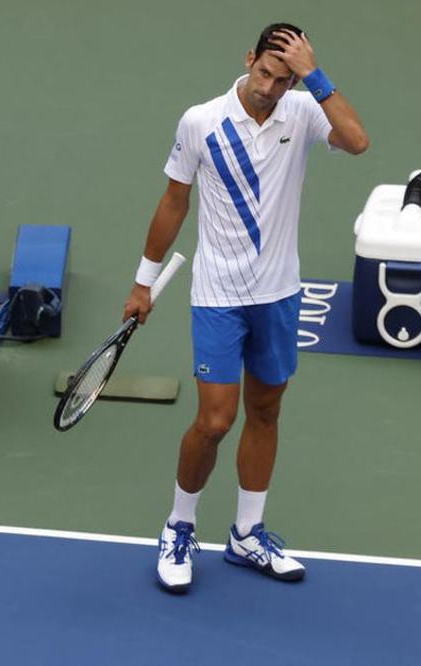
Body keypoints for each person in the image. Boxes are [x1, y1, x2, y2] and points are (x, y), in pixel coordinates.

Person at [123, 23, 368, 592]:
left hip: (279, 295)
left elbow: (357, 141)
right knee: (215, 420)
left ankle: (247, 534)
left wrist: (314, 76)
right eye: (265, 73)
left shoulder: (304, 110)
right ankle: (179, 526)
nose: (270, 88)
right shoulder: (202, 121)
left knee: (266, 412)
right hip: (218, 297)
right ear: (248, 59)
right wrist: (143, 284)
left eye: (284, 79)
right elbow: (173, 201)